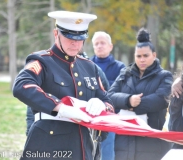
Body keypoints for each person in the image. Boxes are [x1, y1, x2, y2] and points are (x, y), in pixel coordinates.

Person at [12, 10, 114, 160]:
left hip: (82, 148)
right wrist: (60, 107)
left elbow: (108, 103)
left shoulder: (89, 67)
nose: (75, 43)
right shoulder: (42, 61)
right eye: (69, 37)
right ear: (56, 34)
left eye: (80, 38)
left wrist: (102, 105)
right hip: (49, 146)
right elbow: (22, 86)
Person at [107, 28, 173, 160]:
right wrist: (128, 100)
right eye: (138, 56)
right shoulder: (125, 73)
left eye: (146, 56)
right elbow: (110, 96)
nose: (142, 59)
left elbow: (161, 99)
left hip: (152, 140)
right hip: (124, 139)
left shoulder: (164, 76)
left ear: (154, 55)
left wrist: (133, 106)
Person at [90, 31, 126, 160]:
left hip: (110, 117)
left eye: (103, 43)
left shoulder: (120, 67)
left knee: (107, 153)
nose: (99, 46)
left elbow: (120, 91)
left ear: (110, 46)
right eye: (96, 43)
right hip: (89, 117)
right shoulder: (86, 65)